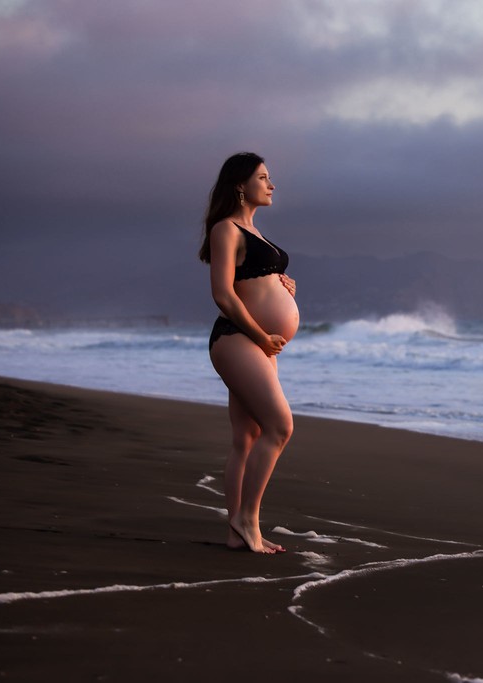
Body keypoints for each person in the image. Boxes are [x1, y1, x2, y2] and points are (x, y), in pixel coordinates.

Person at [199, 152, 299, 554]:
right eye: (263, 177)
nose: (271, 184)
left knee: (247, 437)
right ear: (241, 185)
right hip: (238, 339)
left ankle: (236, 533)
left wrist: (282, 283)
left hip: (256, 342)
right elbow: (223, 293)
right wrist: (260, 335)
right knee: (280, 426)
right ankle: (248, 519)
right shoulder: (226, 229)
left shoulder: (255, 233)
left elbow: (254, 284)